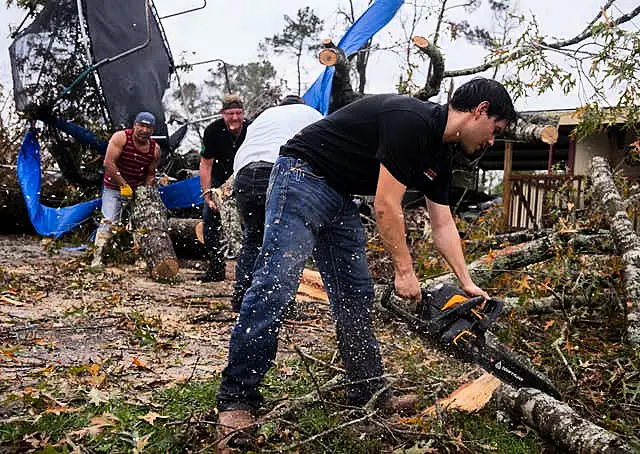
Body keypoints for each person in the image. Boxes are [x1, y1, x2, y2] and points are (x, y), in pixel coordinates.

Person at [214, 78, 517, 443]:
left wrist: (466, 281)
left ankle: (368, 390)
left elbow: (443, 222)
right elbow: (386, 205)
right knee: (276, 286)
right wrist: (405, 272)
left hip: (339, 192)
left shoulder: (439, 154)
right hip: (301, 175)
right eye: (494, 130)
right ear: (480, 111)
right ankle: (236, 399)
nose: (491, 140)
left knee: (355, 296)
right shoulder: (412, 120)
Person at [229, 94, 323, 312]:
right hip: (276, 170)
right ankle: (281, 303)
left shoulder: (265, 115)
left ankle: (241, 299)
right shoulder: (312, 114)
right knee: (286, 240)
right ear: (301, 106)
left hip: (244, 174)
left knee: (253, 237)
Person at [91, 111, 160, 268]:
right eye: (141, 126)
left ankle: (139, 257)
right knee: (108, 221)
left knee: (141, 224)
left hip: (138, 189)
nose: (144, 130)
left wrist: (147, 192)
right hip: (114, 187)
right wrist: (123, 184)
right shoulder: (120, 138)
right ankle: (98, 257)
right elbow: (108, 163)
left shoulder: (154, 149)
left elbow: (150, 173)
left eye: (148, 127)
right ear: (134, 125)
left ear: (152, 130)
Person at [198, 94, 250, 282]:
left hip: (246, 176)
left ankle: (249, 269)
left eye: (238, 113)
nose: (235, 118)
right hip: (220, 179)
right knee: (210, 219)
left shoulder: (252, 129)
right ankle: (215, 268)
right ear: (222, 114)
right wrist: (207, 194)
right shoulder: (213, 131)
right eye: (230, 113)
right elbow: (205, 165)